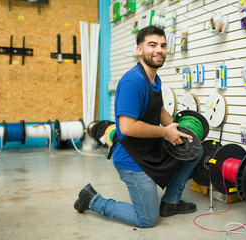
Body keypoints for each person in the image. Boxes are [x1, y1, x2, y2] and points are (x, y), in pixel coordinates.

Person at [74, 26, 203, 228]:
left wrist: (180, 131)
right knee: (147, 219)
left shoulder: (154, 79)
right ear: (139, 50)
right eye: (152, 45)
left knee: (194, 150)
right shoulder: (132, 81)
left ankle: (170, 202)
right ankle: (92, 200)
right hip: (131, 157)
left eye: (163, 45)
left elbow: (158, 109)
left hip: (150, 148)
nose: (159, 50)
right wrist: (165, 133)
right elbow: (125, 127)